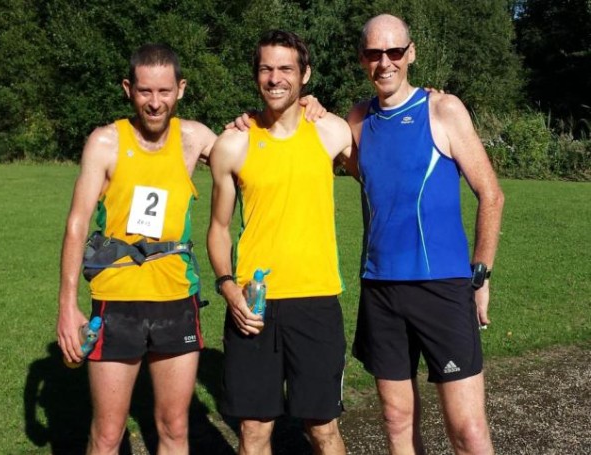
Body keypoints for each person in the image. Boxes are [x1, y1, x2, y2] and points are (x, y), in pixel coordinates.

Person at [347, 14, 504, 455]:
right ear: (362, 59)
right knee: (397, 421)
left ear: (410, 53)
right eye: (374, 54)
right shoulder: (358, 119)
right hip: (380, 288)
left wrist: (481, 275)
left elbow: (491, 195)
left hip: (442, 288)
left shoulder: (443, 109)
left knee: (468, 431)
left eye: (394, 51)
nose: (385, 63)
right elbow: (310, 139)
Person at [56, 43, 217, 454]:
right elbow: (76, 223)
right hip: (116, 300)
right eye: (145, 91)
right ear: (128, 88)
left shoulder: (195, 138)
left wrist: (300, 108)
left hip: (176, 299)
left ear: (180, 88)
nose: (155, 102)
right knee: (108, 434)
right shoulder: (105, 142)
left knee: (174, 428)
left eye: (164, 91)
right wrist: (66, 304)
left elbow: (250, 162)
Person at [207, 30, 353, 455]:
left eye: (286, 68)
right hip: (254, 305)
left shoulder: (332, 133)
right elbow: (218, 228)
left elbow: (380, 155)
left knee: (322, 429)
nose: (275, 78)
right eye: (266, 69)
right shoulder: (233, 143)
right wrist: (228, 287)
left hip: (317, 301)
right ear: (256, 76)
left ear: (304, 74)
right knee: (254, 431)